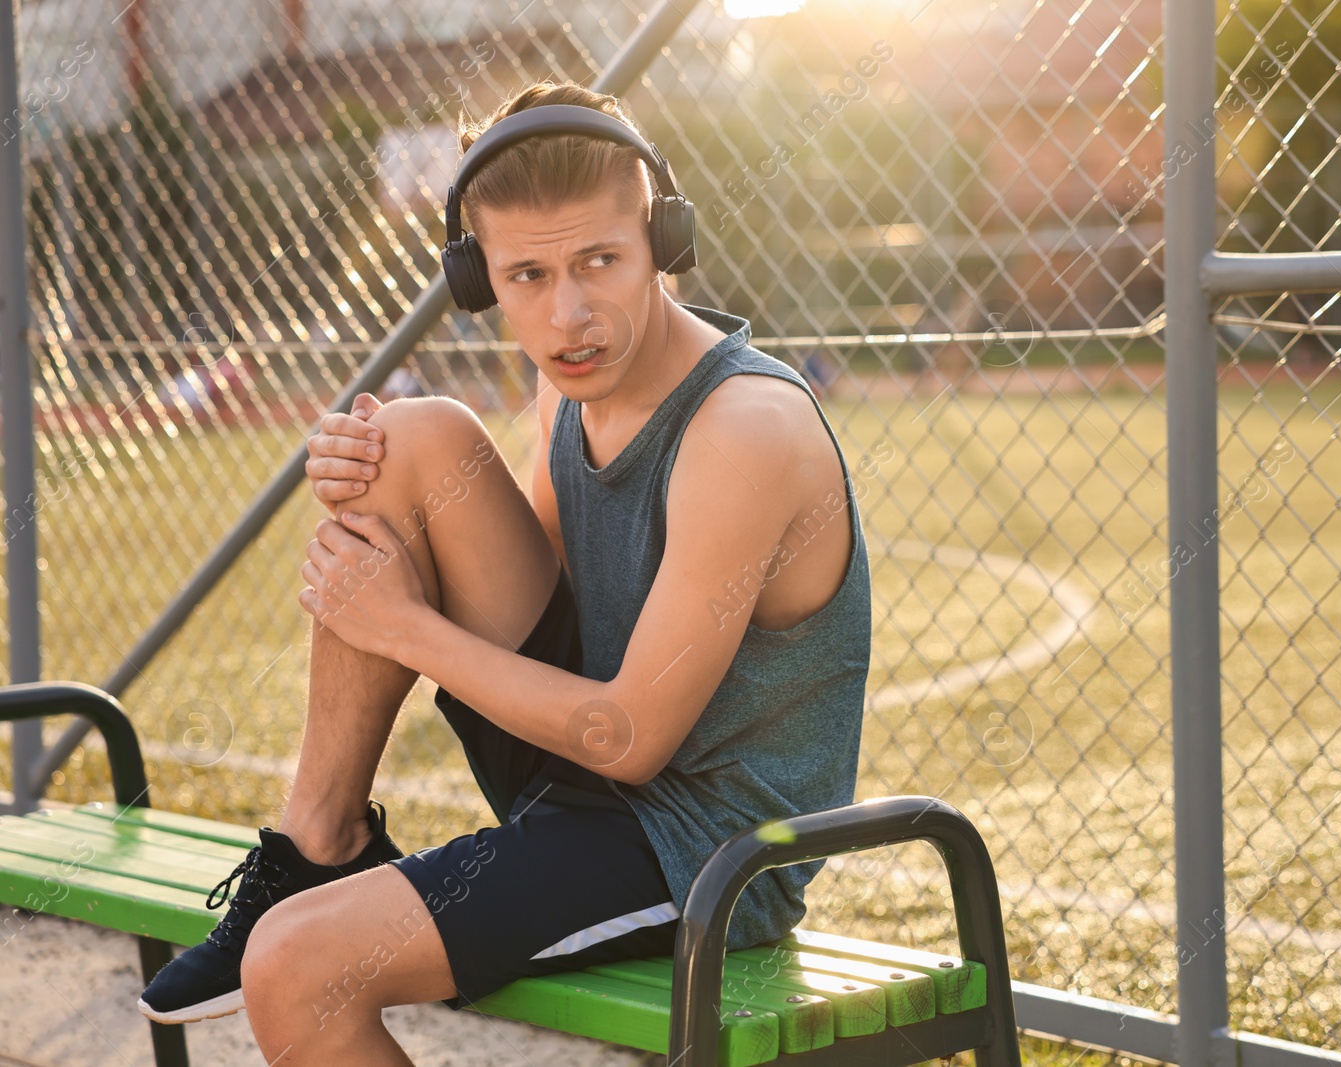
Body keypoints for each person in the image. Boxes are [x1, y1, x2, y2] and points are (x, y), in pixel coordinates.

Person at [135, 79, 872, 1064]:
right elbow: (541, 591)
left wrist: (402, 623)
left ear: (663, 241)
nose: (568, 314)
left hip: (700, 852)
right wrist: (364, 482)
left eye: (600, 261)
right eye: (526, 275)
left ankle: (307, 900)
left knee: (292, 972)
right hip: (580, 779)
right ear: (480, 277)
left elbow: (627, 734)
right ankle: (319, 843)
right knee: (405, 436)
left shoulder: (745, 427)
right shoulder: (572, 375)